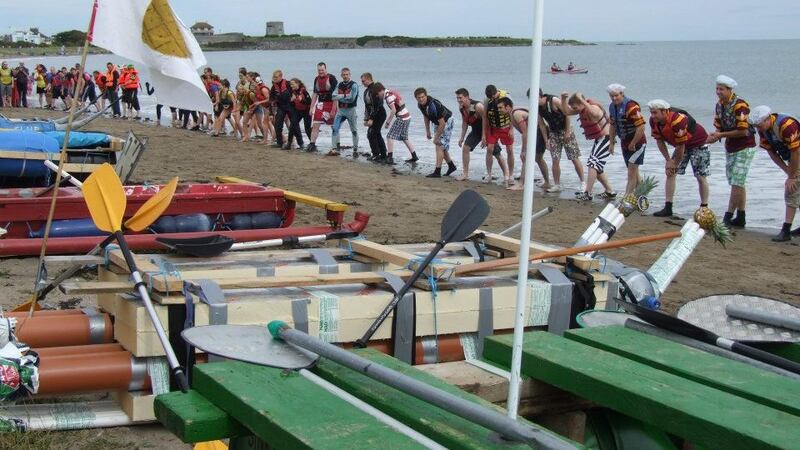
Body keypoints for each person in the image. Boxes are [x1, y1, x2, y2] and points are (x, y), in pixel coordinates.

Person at [706, 75, 757, 228]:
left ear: (729, 90)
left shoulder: (740, 105)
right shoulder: (719, 105)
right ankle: (741, 216)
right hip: (731, 146)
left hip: (745, 146)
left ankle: (728, 216)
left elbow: (742, 131)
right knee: (736, 182)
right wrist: (714, 136)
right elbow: (719, 126)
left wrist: (720, 135)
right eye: (717, 89)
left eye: (721, 89)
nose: (718, 92)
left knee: (736, 182)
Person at [648, 99, 710, 217]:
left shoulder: (677, 121)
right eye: (651, 112)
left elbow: (681, 145)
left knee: (700, 176)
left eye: (655, 113)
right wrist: (668, 161)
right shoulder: (654, 121)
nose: (652, 115)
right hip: (681, 145)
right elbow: (659, 141)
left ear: (665, 111)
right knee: (670, 173)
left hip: (698, 143)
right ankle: (668, 207)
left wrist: (675, 163)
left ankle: (704, 208)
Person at [748, 106, 800, 242]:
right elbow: (771, 152)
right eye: (756, 127)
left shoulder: (787, 125)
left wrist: (792, 177)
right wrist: (786, 169)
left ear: (767, 119)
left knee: (791, 190)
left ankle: (786, 230)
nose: (758, 129)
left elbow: (796, 152)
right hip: (792, 158)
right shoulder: (764, 130)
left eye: (759, 126)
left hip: (797, 155)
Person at [561, 92, 615, 200]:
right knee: (596, 166)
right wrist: (563, 99)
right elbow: (566, 111)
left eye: (575, 106)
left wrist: (582, 100)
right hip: (599, 139)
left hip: (607, 138)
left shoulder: (593, 107)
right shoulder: (581, 109)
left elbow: (594, 114)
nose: (575, 109)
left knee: (593, 163)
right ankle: (610, 191)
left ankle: (588, 193)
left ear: (581, 103)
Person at [498, 95, 551, 191]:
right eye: (498, 108)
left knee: (527, 157)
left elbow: (525, 133)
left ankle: (521, 184)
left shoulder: (516, 114)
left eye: (501, 107)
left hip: (539, 132)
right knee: (538, 158)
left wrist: (524, 150)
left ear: (508, 107)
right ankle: (547, 182)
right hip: (538, 132)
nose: (499, 110)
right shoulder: (512, 113)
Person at [538, 89, 584, 192]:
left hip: (565, 130)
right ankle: (557, 184)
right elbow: (541, 124)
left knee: (574, 157)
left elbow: (567, 113)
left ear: (540, 96)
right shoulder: (537, 107)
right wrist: (546, 140)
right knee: (555, 159)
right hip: (553, 132)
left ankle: (583, 183)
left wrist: (567, 132)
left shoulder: (553, 100)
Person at [607, 84, 647, 195]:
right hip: (624, 142)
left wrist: (633, 143)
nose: (614, 98)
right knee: (634, 171)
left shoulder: (631, 107)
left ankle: (626, 198)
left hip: (637, 143)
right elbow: (613, 125)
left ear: (622, 94)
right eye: (611, 96)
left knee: (631, 173)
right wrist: (611, 143)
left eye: (616, 95)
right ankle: (642, 197)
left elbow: (641, 127)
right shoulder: (612, 107)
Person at [414, 87, 457, 177]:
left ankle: (437, 172)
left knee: (439, 145)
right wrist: (428, 131)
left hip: (447, 121)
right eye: (419, 97)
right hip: (437, 123)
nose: (421, 99)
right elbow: (426, 116)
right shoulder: (420, 104)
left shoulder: (433, 105)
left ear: (426, 96)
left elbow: (442, 124)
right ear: (416, 98)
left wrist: (436, 138)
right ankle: (451, 166)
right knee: (441, 145)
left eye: (422, 97)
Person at [373, 82, 416, 165]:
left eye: (377, 94)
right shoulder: (390, 92)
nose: (377, 96)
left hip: (402, 117)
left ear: (380, 90)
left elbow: (393, 110)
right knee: (404, 137)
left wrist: (388, 122)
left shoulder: (388, 97)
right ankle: (414, 156)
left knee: (390, 136)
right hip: (407, 116)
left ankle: (390, 158)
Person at [482, 85, 514, 187]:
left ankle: (511, 175)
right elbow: (485, 116)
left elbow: (512, 112)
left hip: (506, 127)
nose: (493, 100)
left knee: (509, 150)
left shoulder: (507, 97)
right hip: (493, 128)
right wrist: (483, 134)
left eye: (494, 97)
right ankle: (489, 174)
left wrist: (512, 129)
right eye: (490, 98)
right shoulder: (487, 100)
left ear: (497, 92)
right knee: (489, 149)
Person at [454, 88, 485, 180]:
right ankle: (465, 174)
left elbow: (486, 121)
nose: (459, 100)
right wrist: (461, 137)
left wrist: (484, 136)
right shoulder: (461, 108)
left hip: (487, 130)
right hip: (475, 131)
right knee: (465, 148)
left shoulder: (478, 106)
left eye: (460, 98)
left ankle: (507, 175)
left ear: (467, 97)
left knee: (494, 152)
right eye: (457, 98)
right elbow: (464, 122)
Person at [307, 62, 338, 152]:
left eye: (322, 70)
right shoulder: (316, 79)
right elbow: (315, 94)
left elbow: (336, 95)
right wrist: (311, 107)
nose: (321, 72)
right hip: (321, 104)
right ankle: (312, 143)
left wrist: (334, 109)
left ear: (326, 69)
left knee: (333, 126)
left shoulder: (331, 78)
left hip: (331, 103)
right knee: (315, 124)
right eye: (319, 70)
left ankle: (336, 145)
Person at [330, 67, 359, 156]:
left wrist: (340, 97)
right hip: (341, 111)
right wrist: (345, 95)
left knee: (354, 130)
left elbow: (352, 98)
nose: (345, 76)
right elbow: (333, 97)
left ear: (350, 75)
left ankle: (355, 149)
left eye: (347, 74)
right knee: (335, 128)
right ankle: (334, 148)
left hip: (351, 110)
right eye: (344, 75)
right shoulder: (339, 85)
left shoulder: (354, 85)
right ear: (341, 75)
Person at [361, 72, 387, 162]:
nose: (362, 83)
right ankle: (383, 154)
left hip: (380, 114)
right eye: (362, 81)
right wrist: (366, 118)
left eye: (363, 81)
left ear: (369, 79)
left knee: (372, 134)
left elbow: (378, 105)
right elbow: (367, 106)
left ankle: (376, 154)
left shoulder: (375, 89)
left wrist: (371, 118)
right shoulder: (366, 91)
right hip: (373, 114)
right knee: (376, 133)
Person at [271, 70, 292, 149]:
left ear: (281, 76)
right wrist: (271, 109)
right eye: (273, 77)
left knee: (293, 125)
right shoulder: (274, 86)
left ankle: (298, 143)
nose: (274, 79)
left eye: (276, 77)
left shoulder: (288, 84)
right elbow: (271, 98)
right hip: (281, 107)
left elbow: (294, 93)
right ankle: (279, 142)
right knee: (277, 125)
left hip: (290, 107)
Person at [289, 78, 312, 149]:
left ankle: (312, 144)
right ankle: (289, 144)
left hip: (306, 111)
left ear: (297, 84)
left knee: (307, 129)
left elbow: (309, 102)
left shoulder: (304, 91)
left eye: (293, 84)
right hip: (298, 111)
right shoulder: (293, 92)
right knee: (292, 126)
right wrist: (292, 101)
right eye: (290, 84)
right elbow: (293, 104)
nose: (291, 86)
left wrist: (301, 100)